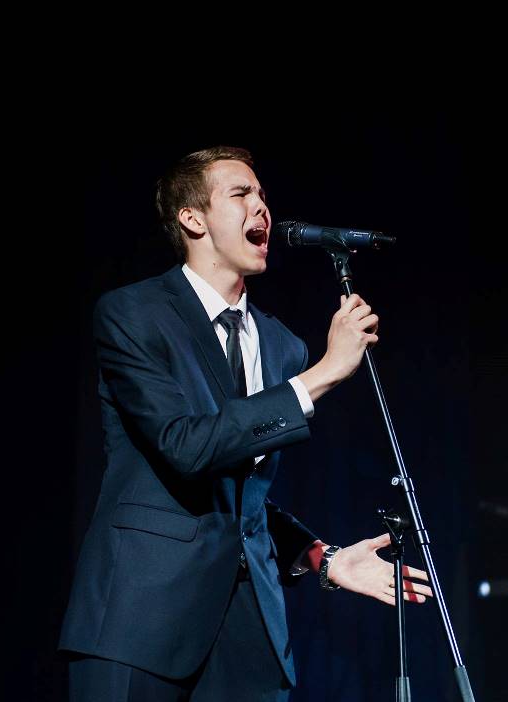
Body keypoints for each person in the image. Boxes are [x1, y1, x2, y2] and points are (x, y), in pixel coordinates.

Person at [59, 146, 432, 701]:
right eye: (241, 194)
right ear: (193, 219)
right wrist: (323, 375)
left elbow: (242, 500)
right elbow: (186, 447)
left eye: (262, 195)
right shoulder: (134, 314)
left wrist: (324, 559)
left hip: (247, 635)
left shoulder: (280, 345)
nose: (261, 207)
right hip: (140, 622)